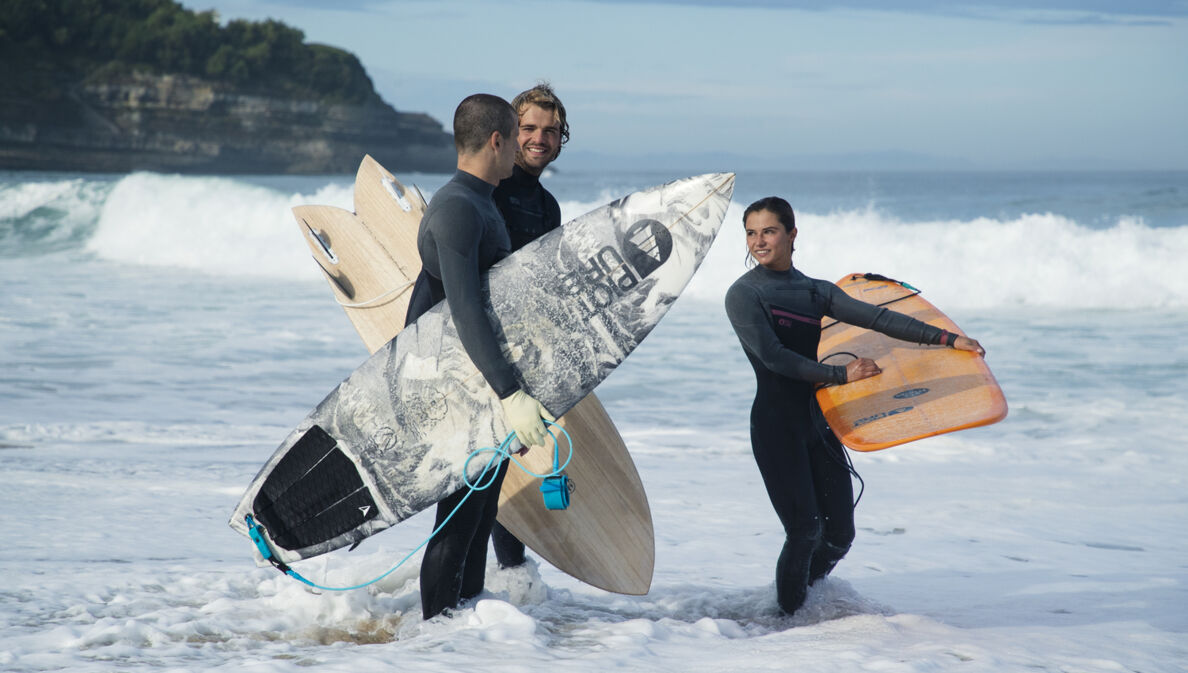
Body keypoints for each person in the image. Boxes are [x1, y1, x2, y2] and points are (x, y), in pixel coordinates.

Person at [723, 196, 984, 615]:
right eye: (750, 233)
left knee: (840, 535)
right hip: (776, 425)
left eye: (768, 231)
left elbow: (878, 319)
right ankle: (784, 624)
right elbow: (775, 358)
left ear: (792, 233)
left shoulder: (815, 291)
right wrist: (843, 375)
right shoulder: (744, 294)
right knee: (804, 530)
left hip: (818, 423)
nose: (758, 241)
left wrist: (948, 339)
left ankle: (799, 603)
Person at [404, 93, 555, 620]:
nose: (523, 146)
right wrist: (511, 393)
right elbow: (465, 308)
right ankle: (435, 640)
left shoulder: (481, 201)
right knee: (458, 517)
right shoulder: (457, 209)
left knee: (481, 507)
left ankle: (463, 630)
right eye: (518, 136)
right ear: (498, 140)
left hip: (480, 382)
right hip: (453, 385)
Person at [488, 83, 570, 569]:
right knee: (481, 473)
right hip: (482, 354)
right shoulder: (488, 191)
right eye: (530, 128)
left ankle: (506, 585)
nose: (541, 138)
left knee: (503, 468)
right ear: (507, 133)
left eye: (552, 131)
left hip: (521, 355)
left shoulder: (548, 207)